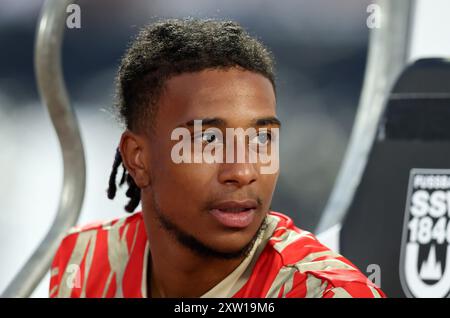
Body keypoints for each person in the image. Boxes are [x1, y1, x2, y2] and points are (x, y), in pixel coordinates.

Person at [49, 18, 385, 298]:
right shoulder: (84, 257)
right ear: (138, 159)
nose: (242, 170)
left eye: (261, 138)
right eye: (209, 140)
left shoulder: (325, 293)